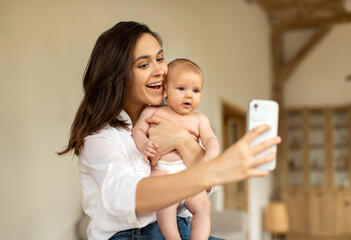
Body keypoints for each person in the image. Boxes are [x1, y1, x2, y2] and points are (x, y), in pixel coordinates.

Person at [58, 21, 281, 240]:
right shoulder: (101, 137)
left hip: (182, 227)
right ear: (118, 75)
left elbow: (207, 185)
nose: (160, 71)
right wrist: (217, 168)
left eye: (160, 59)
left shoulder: (176, 119)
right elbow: (125, 196)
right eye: (144, 65)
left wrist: (183, 141)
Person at [132, 58, 220, 240]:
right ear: (165, 90)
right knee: (165, 200)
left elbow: (211, 139)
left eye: (196, 90)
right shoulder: (153, 112)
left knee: (203, 205)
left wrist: (209, 158)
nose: (189, 95)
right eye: (181, 89)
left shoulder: (199, 119)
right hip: (163, 170)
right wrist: (143, 144)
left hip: (188, 176)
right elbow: (137, 130)